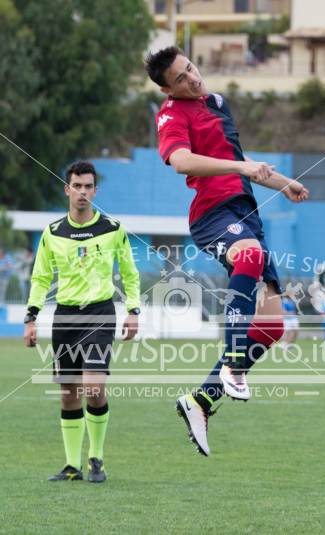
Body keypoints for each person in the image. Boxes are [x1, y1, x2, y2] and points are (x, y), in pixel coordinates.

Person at [145, 46, 309, 456]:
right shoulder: (170, 115)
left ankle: (201, 401)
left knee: (272, 325)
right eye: (181, 78)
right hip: (212, 214)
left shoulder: (218, 103)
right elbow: (182, 161)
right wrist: (241, 169)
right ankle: (235, 362)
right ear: (168, 88)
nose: (193, 78)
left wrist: (282, 181)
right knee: (250, 257)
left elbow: (236, 158)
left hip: (245, 211)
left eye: (191, 68)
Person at [24, 161, 140, 481]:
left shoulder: (113, 229)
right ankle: (72, 465)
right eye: (77, 186)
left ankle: (96, 458)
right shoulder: (53, 232)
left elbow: (130, 274)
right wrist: (31, 316)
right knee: (68, 392)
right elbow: (40, 277)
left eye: (88, 186)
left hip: (100, 313)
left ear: (95, 191)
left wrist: (133, 310)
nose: (83, 192)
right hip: (65, 316)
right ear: (67, 189)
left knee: (93, 387)